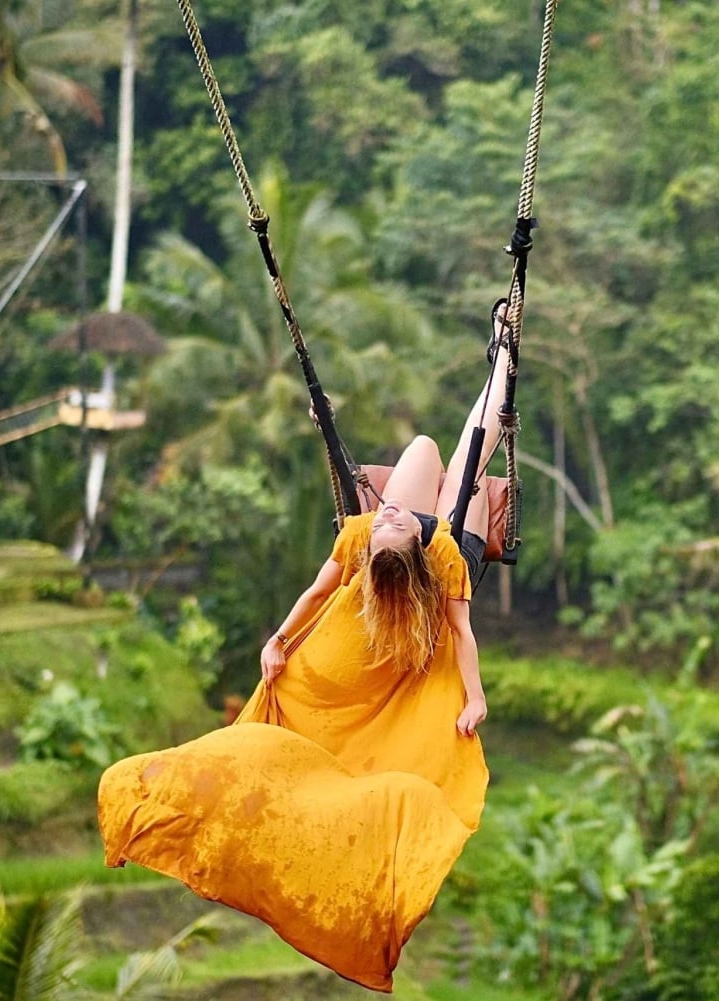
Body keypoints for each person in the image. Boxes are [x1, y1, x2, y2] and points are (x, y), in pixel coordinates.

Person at [98, 304, 516, 993]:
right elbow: (360, 605)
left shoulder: (407, 546)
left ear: (402, 539)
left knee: (449, 446)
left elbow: (400, 617)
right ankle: (503, 359)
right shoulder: (404, 545)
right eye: (384, 519)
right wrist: (282, 641)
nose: (381, 512)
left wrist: (471, 695)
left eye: (385, 520)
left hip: (436, 559)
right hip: (443, 553)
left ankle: (502, 360)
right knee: (449, 445)